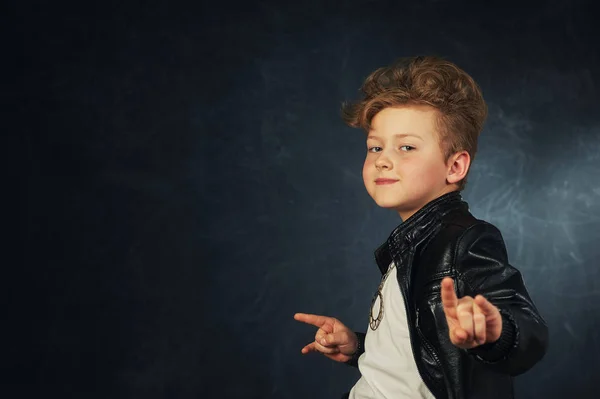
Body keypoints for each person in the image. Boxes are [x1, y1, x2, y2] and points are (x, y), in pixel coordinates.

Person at [294, 56, 548, 399]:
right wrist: (359, 347)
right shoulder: (411, 247)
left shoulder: (464, 240)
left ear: (455, 166)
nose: (383, 158)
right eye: (375, 147)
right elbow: (417, 350)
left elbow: (529, 332)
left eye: (407, 147)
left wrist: (496, 332)